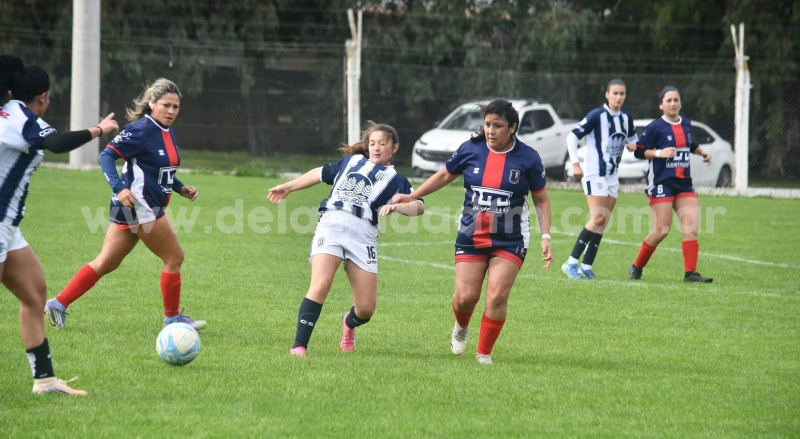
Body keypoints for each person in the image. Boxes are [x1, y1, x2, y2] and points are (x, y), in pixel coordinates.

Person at [392, 99, 552, 365]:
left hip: (511, 239)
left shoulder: (528, 158)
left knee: (498, 294)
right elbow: (444, 176)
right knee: (465, 298)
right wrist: (412, 196)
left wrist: (545, 236)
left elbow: (542, 200)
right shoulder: (471, 149)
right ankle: (461, 325)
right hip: (471, 234)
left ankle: (484, 354)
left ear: (512, 128)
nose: (490, 130)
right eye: (487, 124)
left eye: (498, 126)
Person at [45, 78, 206, 329]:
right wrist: (119, 188)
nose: (171, 111)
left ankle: (57, 304)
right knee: (174, 256)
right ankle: (173, 320)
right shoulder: (140, 130)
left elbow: (157, 170)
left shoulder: (166, 130)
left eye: (176, 107)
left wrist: (180, 187)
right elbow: (106, 156)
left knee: (106, 262)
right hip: (139, 204)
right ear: (152, 103)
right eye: (166, 105)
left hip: (136, 205)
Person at [0, 55, 118, 395]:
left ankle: (45, 379)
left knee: (35, 293)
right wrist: (99, 129)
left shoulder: (9, 112)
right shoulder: (22, 116)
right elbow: (55, 144)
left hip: (9, 228)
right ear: (43, 98)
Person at [268, 122, 424, 357]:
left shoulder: (396, 179)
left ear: (395, 147)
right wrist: (288, 187)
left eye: (383, 143)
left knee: (366, 309)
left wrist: (398, 208)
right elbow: (318, 174)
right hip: (332, 224)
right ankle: (299, 345)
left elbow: (419, 207)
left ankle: (349, 323)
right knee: (320, 285)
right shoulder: (350, 162)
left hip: (364, 236)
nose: (377, 148)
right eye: (372, 143)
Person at [628, 86, 713, 283]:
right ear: (661, 105)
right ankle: (636, 267)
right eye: (668, 100)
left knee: (691, 228)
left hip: (683, 184)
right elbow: (639, 151)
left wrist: (703, 152)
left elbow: (690, 144)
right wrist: (659, 153)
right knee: (661, 231)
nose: (673, 103)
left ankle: (690, 274)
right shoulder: (656, 127)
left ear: (680, 103)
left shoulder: (687, 124)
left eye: (676, 100)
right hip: (661, 184)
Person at [561, 79, 638, 280]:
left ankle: (586, 266)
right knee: (598, 218)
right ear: (607, 95)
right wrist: (576, 163)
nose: (619, 97)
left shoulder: (626, 118)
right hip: (594, 173)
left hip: (612, 176)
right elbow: (572, 137)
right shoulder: (597, 115)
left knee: (603, 224)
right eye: (615, 93)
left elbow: (634, 139)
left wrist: (633, 145)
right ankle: (570, 263)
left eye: (622, 94)